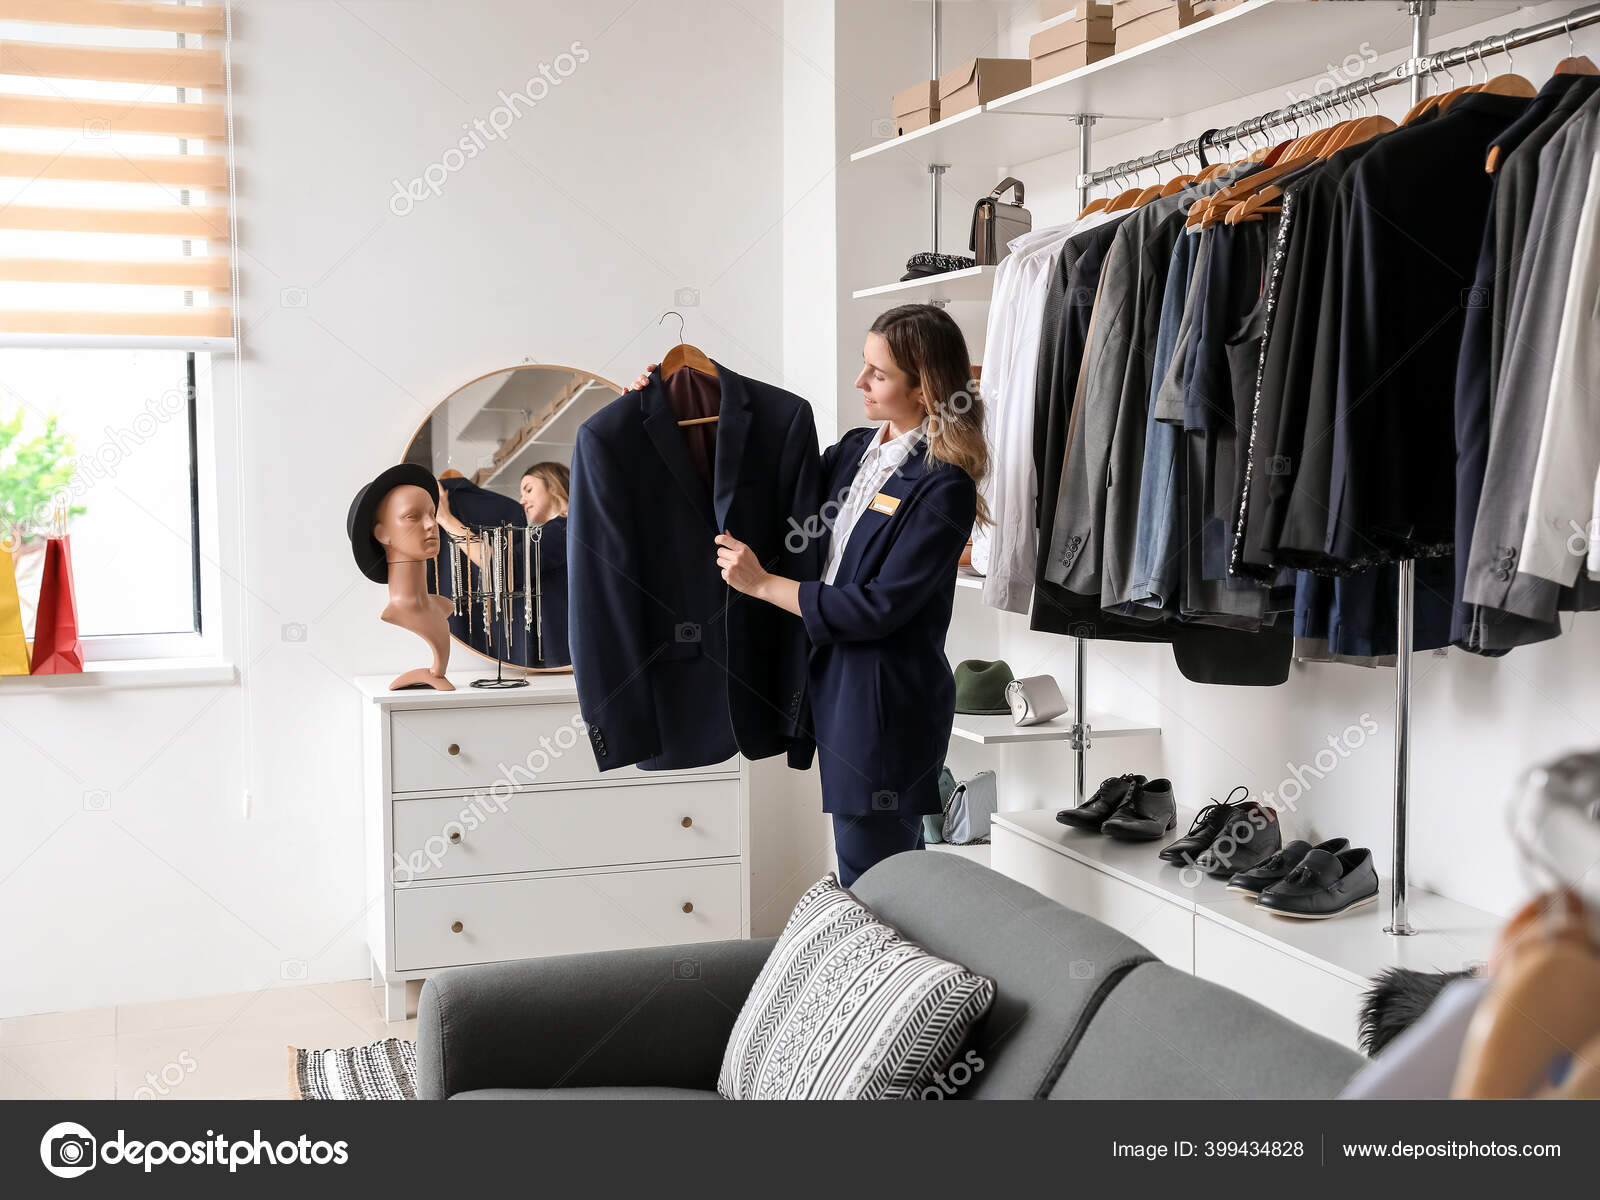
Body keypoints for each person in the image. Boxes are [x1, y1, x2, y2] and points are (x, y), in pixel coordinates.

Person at [630, 304, 989, 885]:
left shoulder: (943, 486)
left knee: (875, 881)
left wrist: (764, 584)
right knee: (875, 875)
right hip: (837, 690)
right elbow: (760, 477)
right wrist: (666, 402)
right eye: (864, 366)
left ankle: (891, 976)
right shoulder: (853, 452)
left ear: (923, 388)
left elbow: (879, 608)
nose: (860, 382)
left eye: (878, 373)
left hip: (885, 706)